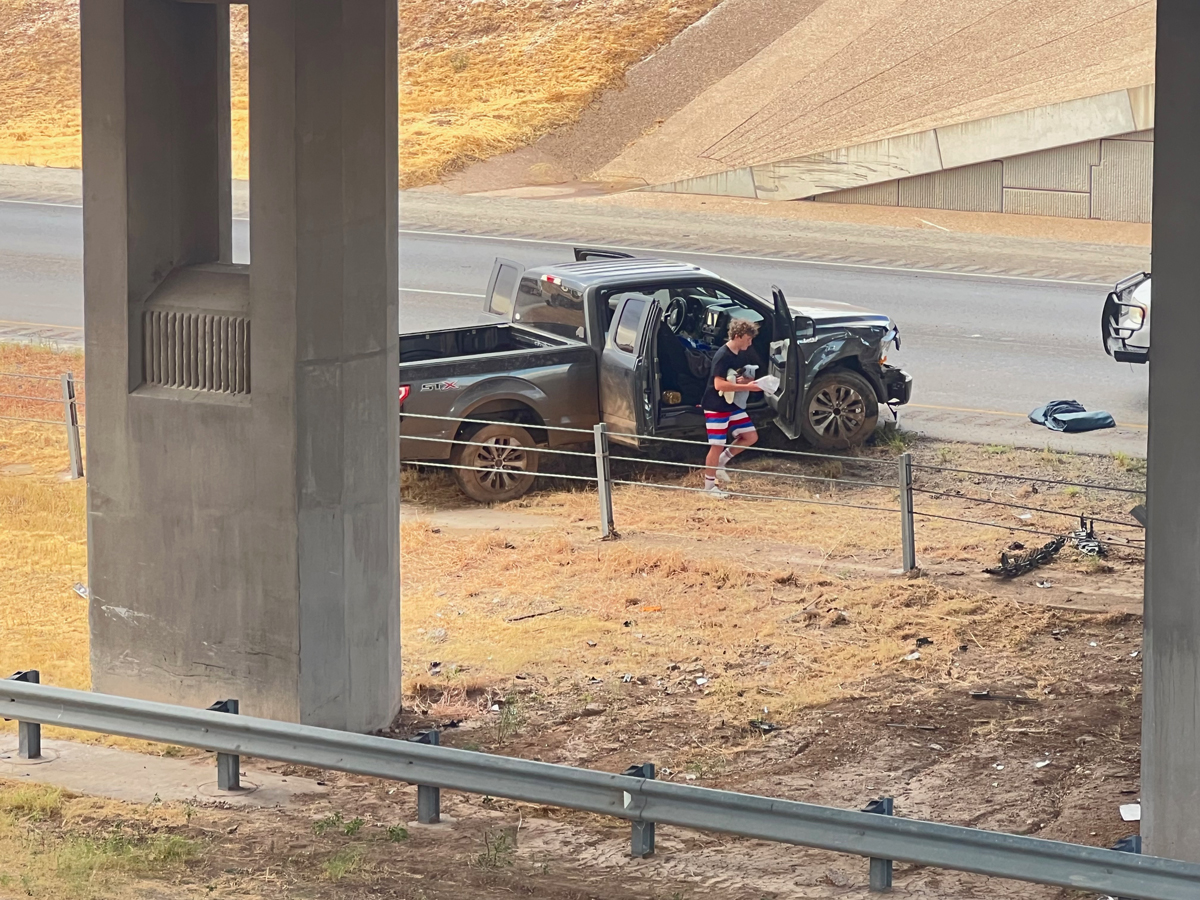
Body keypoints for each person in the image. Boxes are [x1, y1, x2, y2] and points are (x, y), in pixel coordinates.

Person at [700, 318, 763, 495]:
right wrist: (746, 387)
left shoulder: (740, 353)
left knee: (750, 436)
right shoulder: (723, 355)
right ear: (737, 336)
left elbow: (731, 377)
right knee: (716, 445)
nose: (750, 343)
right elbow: (719, 385)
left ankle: (720, 463)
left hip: (731, 404)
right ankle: (708, 487)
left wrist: (744, 380)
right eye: (748, 339)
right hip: (716, 406)